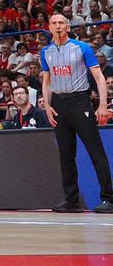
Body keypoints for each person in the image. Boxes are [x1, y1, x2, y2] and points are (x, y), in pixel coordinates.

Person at [41, 14, 113, 213]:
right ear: (49, 27)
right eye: (54, 23)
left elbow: (99, 77)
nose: (58, 26)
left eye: (61, 23)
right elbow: (46, 82)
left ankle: (109, 198)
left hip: (80, 101)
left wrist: (102, 105)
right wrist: (47, 105)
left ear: (67, 26)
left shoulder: (82, 48)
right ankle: (71, 200)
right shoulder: (45, 51)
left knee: (95, 151)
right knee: (66, 155)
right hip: (58, 104)